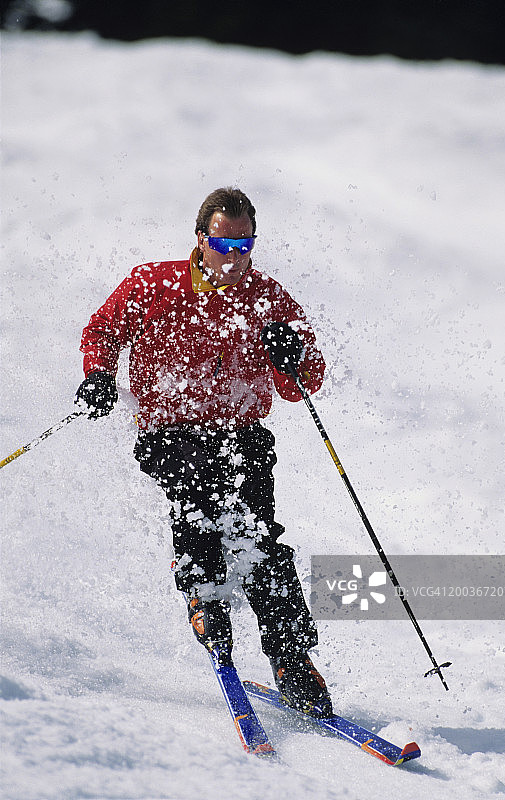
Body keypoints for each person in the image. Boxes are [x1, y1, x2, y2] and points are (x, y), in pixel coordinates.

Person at [75, 187, 332, 717]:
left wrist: (296, 356)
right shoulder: (154, 284)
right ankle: (205, 595)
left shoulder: (268, 300)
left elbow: (303, 384)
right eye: (225, 243)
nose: (236, 256)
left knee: (258, 536)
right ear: (201, 239)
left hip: (242, 430)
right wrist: (98, 376)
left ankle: (291, 658)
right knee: (202, 496)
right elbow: (101, 332)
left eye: (246, 243)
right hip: (169, 431)